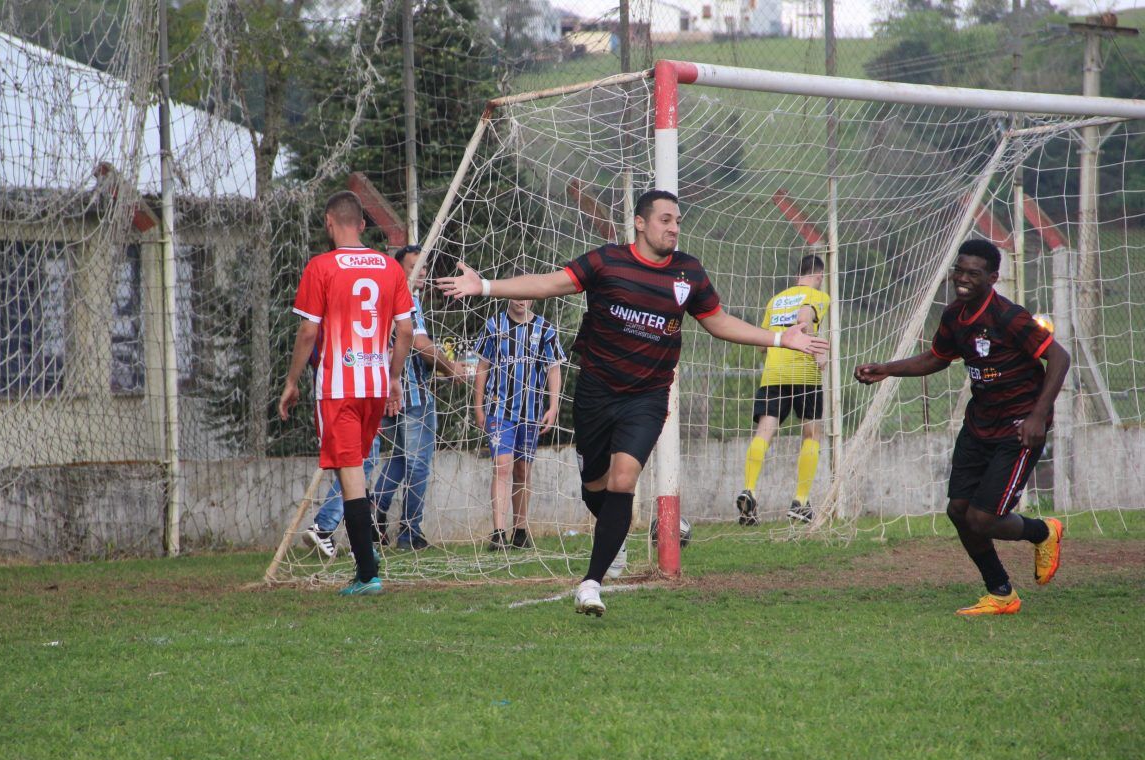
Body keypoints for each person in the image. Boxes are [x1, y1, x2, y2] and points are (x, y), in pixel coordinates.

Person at [439, 189, 828, 616]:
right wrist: (486, 286)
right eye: (665, 219)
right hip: (595, 392)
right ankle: (615, 530)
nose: (674, 227)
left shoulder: (688, 273)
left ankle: (591, 582)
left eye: (677, 220)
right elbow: (550, 283)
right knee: (596, 487)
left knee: (624, 480)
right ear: (641, 223)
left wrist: (779, 337)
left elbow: (717, 322)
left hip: (647, 396)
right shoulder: (607, 261)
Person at [854, 238, 1068, 616]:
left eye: (974, 273)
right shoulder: (954, 316)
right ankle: (1001, 593)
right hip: (978, 425)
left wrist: (1038, 416)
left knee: (982, 518)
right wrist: (886, 369)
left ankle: (1042, 532)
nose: (963, 278)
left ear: (992, 277)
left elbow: (1059, 356)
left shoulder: (1009, 317)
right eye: (959, 270)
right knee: (958, 510)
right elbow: (937, 358)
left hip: (1018, 429)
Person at [279, 190, 414, 597]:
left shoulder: (321, 267)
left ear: (328, 222)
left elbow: (308, 331)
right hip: (375, 385)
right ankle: (366, 567)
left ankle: (368, 574)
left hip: (340, 387)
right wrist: (393, 377)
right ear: (361, 223)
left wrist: (291, 381)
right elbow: (405, 331)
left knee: (351, 473)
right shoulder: (389, 268)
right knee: (357, 471)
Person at [304, 244, 465, 554]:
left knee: (391, 461)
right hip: (403, 391)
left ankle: (372, 522)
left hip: (378, 390)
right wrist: (450, 366)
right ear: (398, 268)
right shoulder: (401, 297)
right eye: (413, 266)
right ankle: (405, 531)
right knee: (402, 463)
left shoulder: (382, 296)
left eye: (424, 267)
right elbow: (417, 341)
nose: (421, 273)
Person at [737, 254, 831, 526]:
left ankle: (750, 490)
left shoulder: (776, 300)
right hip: (804, 373)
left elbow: (763, 344)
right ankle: (800, 501)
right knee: (812, 433)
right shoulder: (816, 295)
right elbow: (804, 316)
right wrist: (813, 345)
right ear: (818, 277)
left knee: (764, 432)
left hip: (774, 373)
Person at [474, 298, 565, 550]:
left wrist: (553, 406)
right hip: (498, 410)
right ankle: (498, 533)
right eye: (516, 294)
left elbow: (554, 369)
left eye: (525, 295)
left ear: (533, 297)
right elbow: (483, 366)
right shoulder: (494, 325)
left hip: (531, 413)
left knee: (522, 471)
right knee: (502, 467)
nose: (520, 300)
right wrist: (478, 407)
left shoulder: (545, 329)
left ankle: (521, 531)